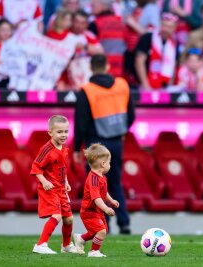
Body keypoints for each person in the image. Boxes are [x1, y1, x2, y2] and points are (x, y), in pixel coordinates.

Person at [74, 54, 135, 234]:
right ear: (108, 66)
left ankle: (102, 224)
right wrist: (122, 131)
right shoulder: (122, 85)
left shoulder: (86, 90)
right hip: (117, 141)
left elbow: (81, 122)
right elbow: (131, 115)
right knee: (115, 181)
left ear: (91, 68)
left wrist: (78, 147)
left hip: (96, 144)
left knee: (96, 184)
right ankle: (123, 223)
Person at [31, 115, 79, 254]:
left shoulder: (64, 148)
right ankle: (40, 244)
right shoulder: (46, 149)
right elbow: (36, 167)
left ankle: (66, 246)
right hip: (50, 188)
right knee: (56, 216)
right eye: (59, 132)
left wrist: (66, 182)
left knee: (69, 219)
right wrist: (44, 181)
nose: (63, 135)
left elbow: (62, 168)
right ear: (50, 132)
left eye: (66, 131)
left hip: (61, 188)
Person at [74, 143, 119, 257]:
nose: (110, 165)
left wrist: (111, 200)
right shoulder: (93, 179)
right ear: (103, 164)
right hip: (89, 211)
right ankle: (94, 252)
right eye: (109, 162)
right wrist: (106, 208)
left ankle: (81, 238)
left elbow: (103, 193)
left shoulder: (101, 177)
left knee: (101, 230)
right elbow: (96, 198)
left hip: (96, 211)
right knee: (101, 231)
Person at [135, 12, 178, 90]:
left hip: (165, 85)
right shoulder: (148, 38)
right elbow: (139, 61)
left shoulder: (174, 42)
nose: (166, 29)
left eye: (170, 27)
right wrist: (146, 86)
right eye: (164, 26)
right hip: (146, 84)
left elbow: (174, 65)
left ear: (174, 28)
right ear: (160, 25)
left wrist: (170, 86)